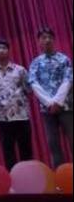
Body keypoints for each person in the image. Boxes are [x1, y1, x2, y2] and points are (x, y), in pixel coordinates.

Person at [28, 27, 73, 168]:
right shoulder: (35, 63)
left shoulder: (64, 59)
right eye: (43, 38)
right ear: (39, 42)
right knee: (53, 144)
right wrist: (49, 103)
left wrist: (57, 101)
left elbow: (68, 80)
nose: (47, 40)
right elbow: (34, 84)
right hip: (47, 110)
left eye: (49, 37)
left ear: (53, 40)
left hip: (66, 107)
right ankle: (59, 174)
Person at [0, 39, 32, 169]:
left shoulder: (20, 70)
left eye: (4, 48)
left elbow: (28, 89)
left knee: (26, 148)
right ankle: (12, 175)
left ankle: (28, 175)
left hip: (22, 114)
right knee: (8, 150)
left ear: (8, 50)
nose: (1, 50)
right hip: (2, 116)